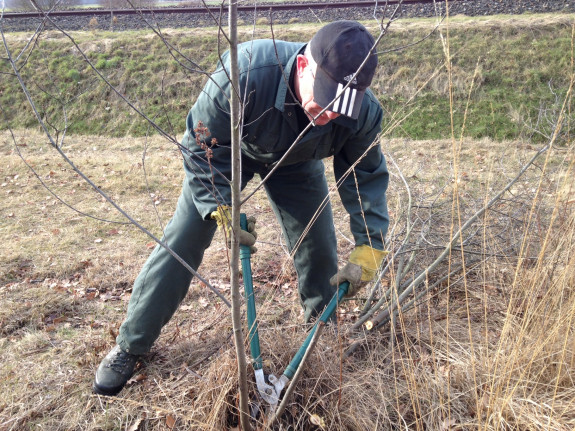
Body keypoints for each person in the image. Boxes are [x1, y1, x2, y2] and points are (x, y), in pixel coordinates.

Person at [93, 20, 389, 396]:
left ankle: (321, 329)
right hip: (229, 153)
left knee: (317, 242)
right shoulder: (244, 73)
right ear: (303, 67)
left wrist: (370, 243)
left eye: (339, 108)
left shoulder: (361, 113)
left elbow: (364, 174)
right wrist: (220, 208)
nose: (328, 115)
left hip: (296, 163)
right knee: (184, 238)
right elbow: (201, 147)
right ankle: (132, 344)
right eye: (324, 98)